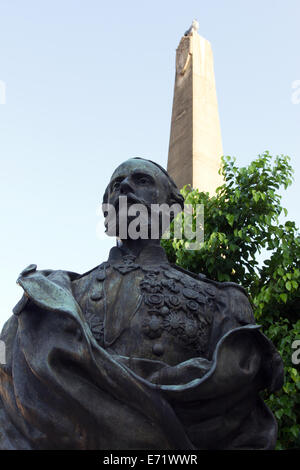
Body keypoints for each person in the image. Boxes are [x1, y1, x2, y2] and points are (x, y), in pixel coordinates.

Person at [0, 158, 283, 450]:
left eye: (141, 180)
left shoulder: (219, 302)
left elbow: (239, 415)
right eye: (115, 185)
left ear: (172, 208)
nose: (124, 186)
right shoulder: (51, 302)